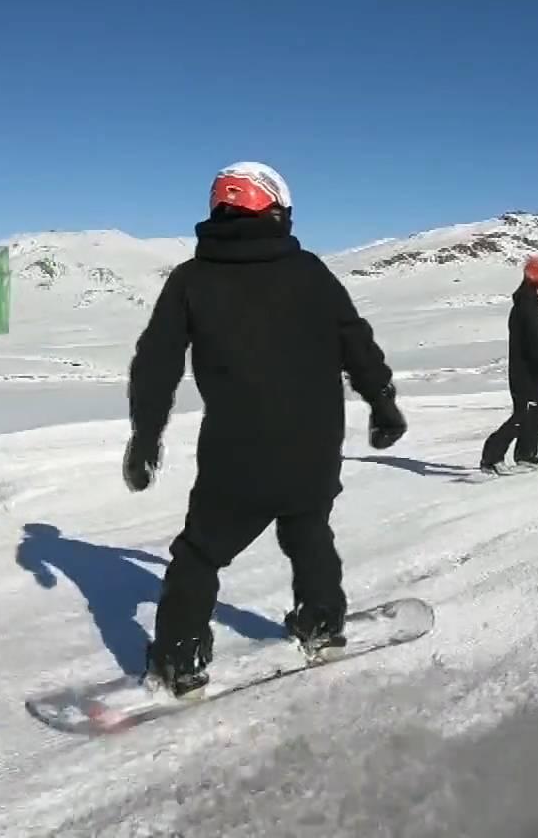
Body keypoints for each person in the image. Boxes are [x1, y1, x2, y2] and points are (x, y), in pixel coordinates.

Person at [125, 162, 404, 698]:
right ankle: (322, 620)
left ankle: (178, 657)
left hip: (238, 452)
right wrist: (382, 403)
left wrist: (146, 436)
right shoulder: (310, 272)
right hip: (315, 446)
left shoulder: (191, 279)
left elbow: (156, 362)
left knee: (201, 553)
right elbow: (357, 343)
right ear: (275, 208)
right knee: (307, 527)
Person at [481, 256, 538, 472]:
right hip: (527, 375)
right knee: (525, 415)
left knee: (535, 413)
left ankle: (526, 455)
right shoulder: (530, 310)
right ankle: (492, 457)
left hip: (527, 373)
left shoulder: (523, 307)